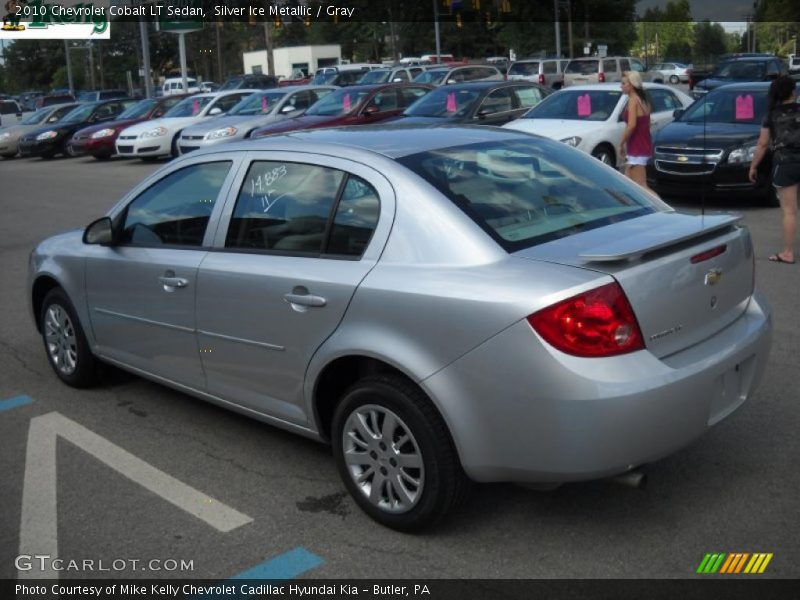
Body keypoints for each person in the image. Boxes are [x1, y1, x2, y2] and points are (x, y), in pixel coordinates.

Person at [749, 75, 799, 264]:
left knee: (789, 211)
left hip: (785, 163)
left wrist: (753, 166)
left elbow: (762, 144)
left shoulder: (771, 115)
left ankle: (787, 252)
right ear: (793, 92)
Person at [618, 71, 658, 196]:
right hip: (641, 146)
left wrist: (621, 144)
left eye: (624, 83)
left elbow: (631, 125)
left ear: (632, 85)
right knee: (628, 185)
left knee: (641, 186)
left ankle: (665, 211)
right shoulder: (643, 99)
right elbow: (646, 123)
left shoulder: (633, 100)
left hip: (637, 148)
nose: (621, 86)